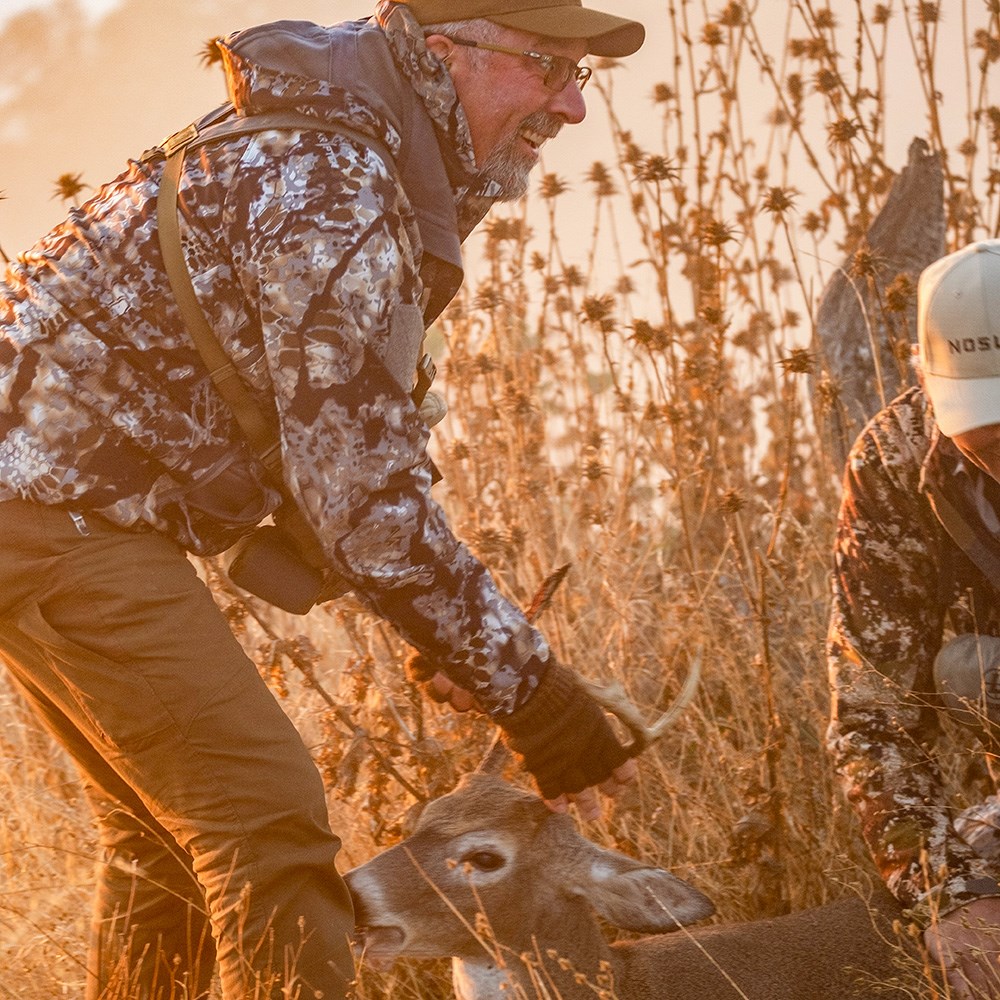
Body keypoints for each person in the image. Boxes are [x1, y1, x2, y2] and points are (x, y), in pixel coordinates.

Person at [0, 2, 645, 998]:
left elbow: (333, 462)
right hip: (58, 515)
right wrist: (537, 698)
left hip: (46, 504)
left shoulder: (349, 145)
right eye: (546, 67)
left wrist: (448, 637)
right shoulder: (332, 185)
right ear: (447, 53)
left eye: (580, 77)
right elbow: (360, 495)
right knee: (267, 824)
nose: (570, 107)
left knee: (169, 839)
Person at [828, 240, 1000, 998]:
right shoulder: (894, 463)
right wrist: (949, 901)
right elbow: (873, 715)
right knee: (969, 671)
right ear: (934, 395)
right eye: (991, 437)